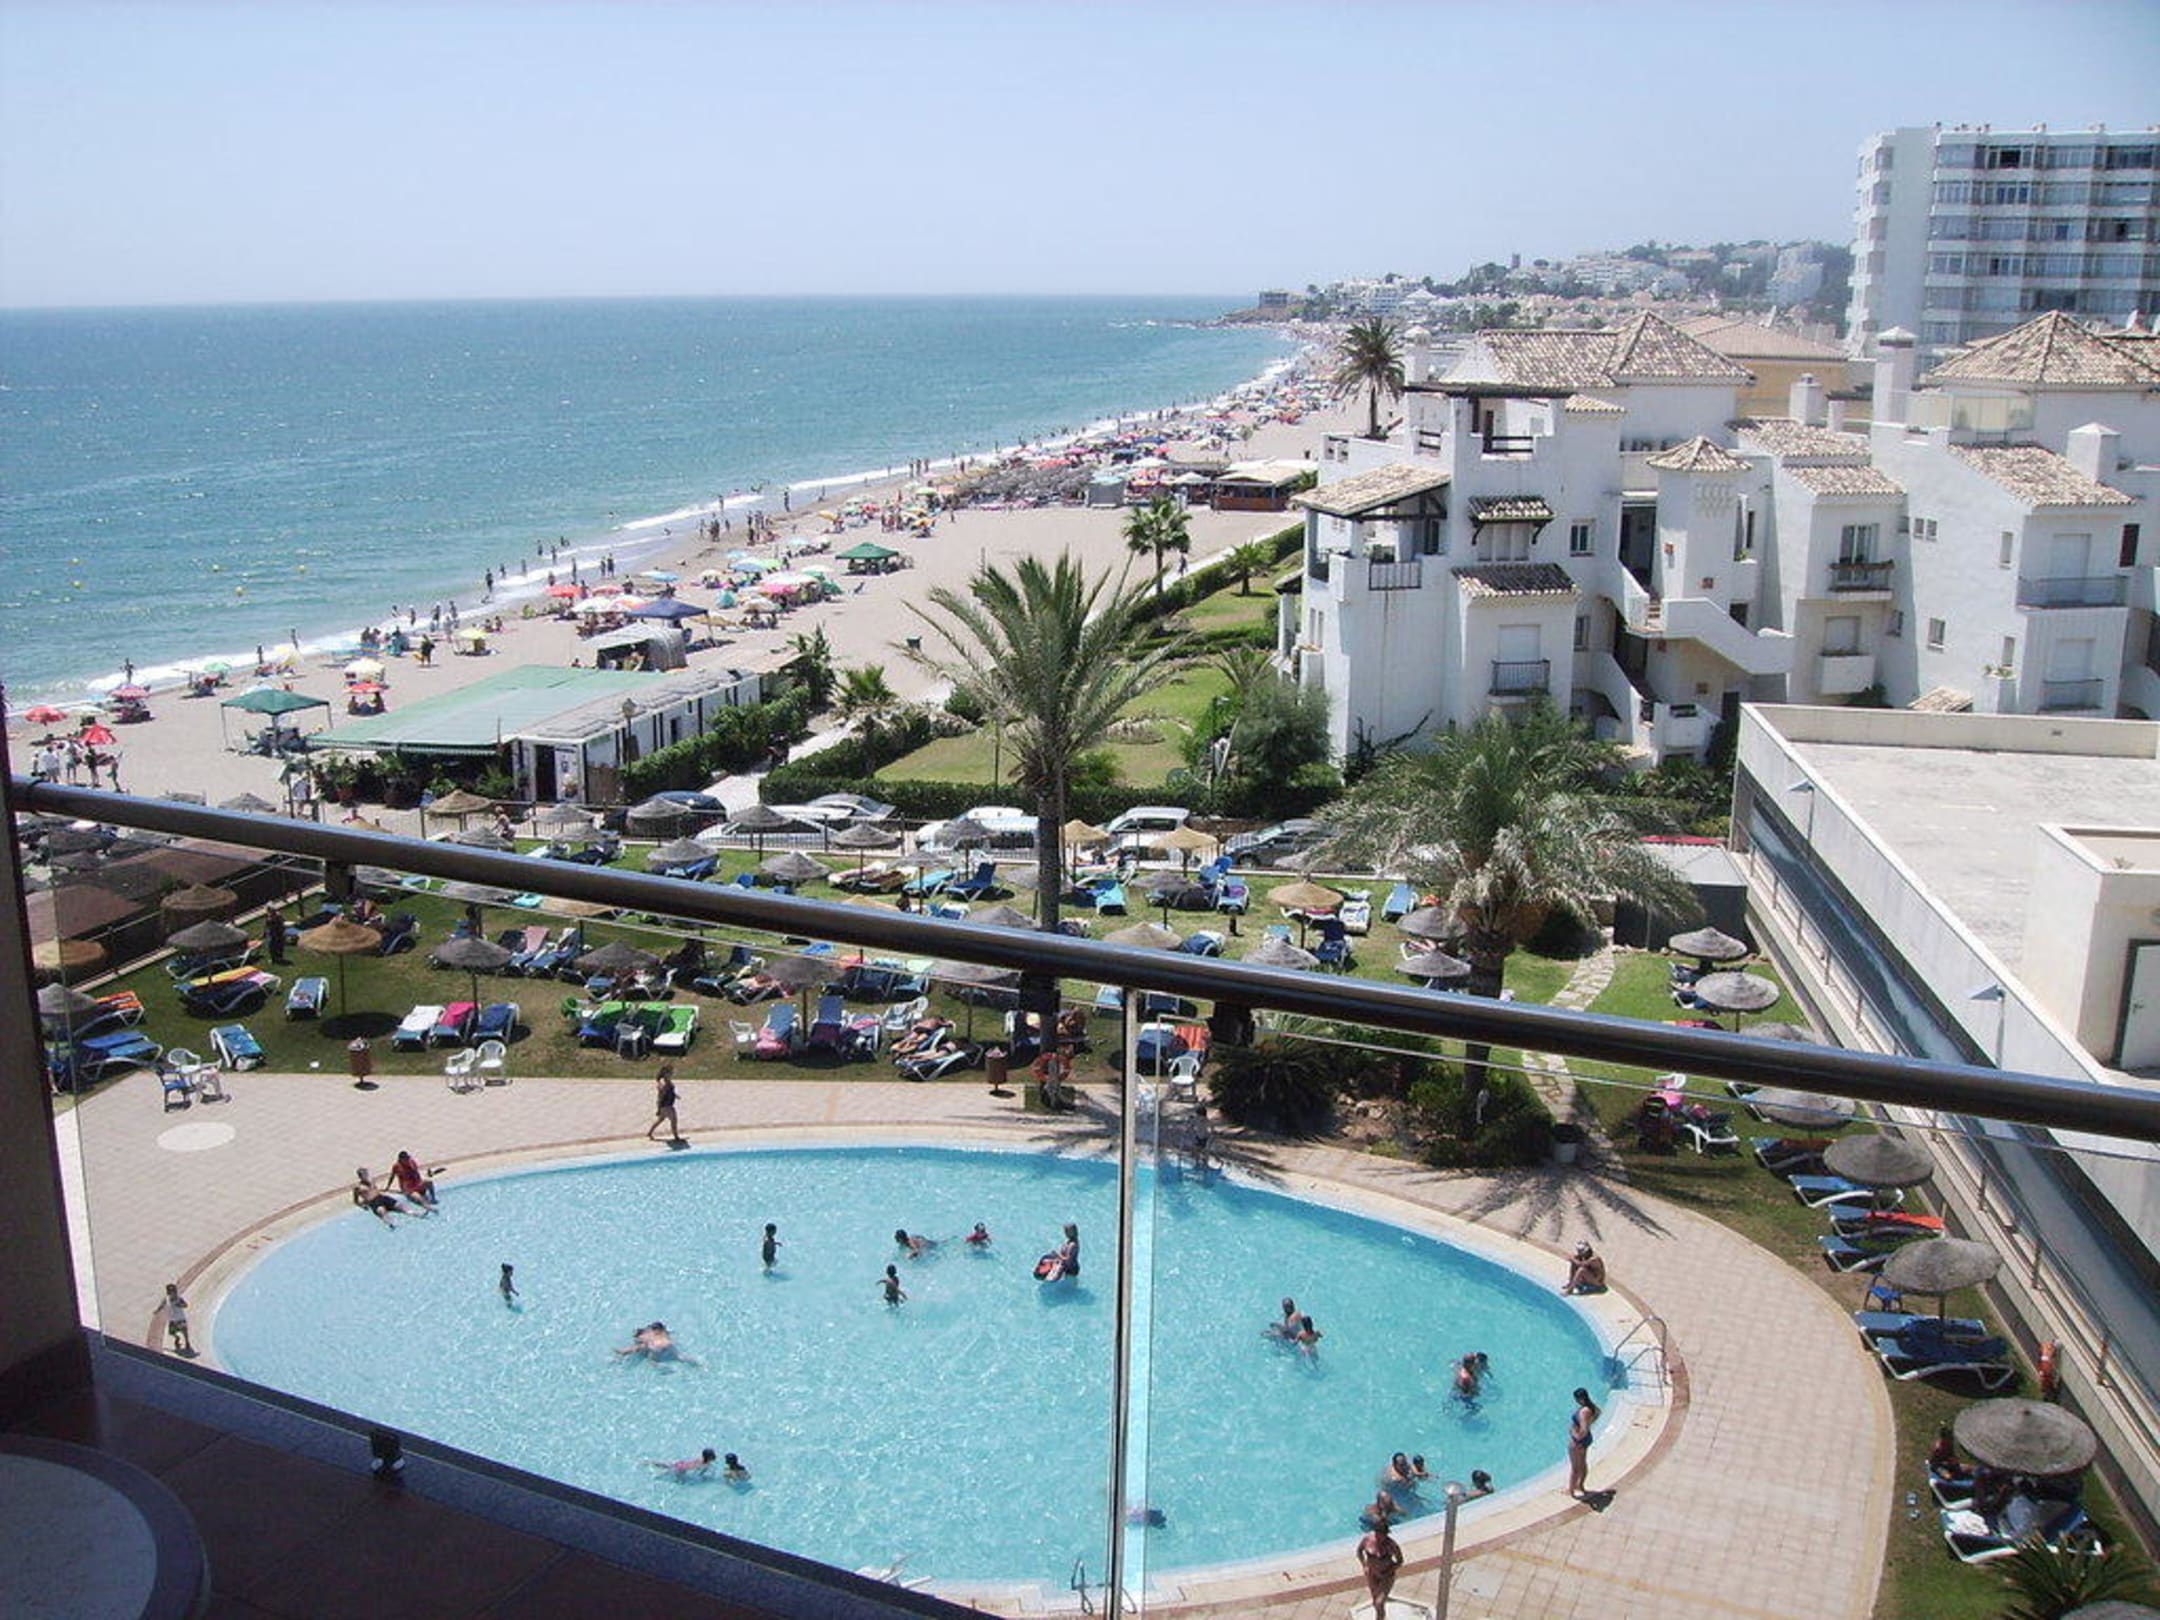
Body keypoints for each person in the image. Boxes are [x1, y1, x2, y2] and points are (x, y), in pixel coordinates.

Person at [1567, 1387, 1601, 1498]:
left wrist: (1573, 1432)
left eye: (1576, 1399)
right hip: (1585, 1441)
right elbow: (1598, 1413)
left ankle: (1571, 1491)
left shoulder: (1583, 1412)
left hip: (1578, 1443)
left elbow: (1583, 1431)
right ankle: (1580, 1486)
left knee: (1575, 1468)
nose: (1576, 1401)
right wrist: (1590, 1422)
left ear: (1580, 1399)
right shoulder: (1591, 1407)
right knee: (1582, 1464)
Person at [647, 1064, 680, 1143]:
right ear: (665, 1073)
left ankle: (650, 1133)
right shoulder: (663, 1082)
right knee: (674, 1119)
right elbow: (661, 1092)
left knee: (661, 1119)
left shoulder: (668, 1081)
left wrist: (675, 1095)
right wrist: (659, 1107)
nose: (672, 1074)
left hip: (667, 1104)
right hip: (666, 1105)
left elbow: (670, 1091)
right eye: (671, 1072)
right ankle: (676, 1137)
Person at [646, 1448, 716, 1478]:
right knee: (666, 1474)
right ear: (709, 1457)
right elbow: (699, 1474)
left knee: (666, 1466)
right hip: (682, 1469)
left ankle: (649, 1462)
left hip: (681, 1463)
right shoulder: (705, 1465)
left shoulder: (700, 1459)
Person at [162, 1283, 192, 1356]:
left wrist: (180, 1305)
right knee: (171, 1333)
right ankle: (177, 1338)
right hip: (172, 1319)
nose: (174, 1294)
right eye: (171, 1292)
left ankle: (187, 1343)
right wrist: (157, 1310)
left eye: (174, 1292)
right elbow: (162, 1304)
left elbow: (186, 1305)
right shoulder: (167, 1299)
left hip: (180, 1318)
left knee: (184, 1331)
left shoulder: (179, 1299)